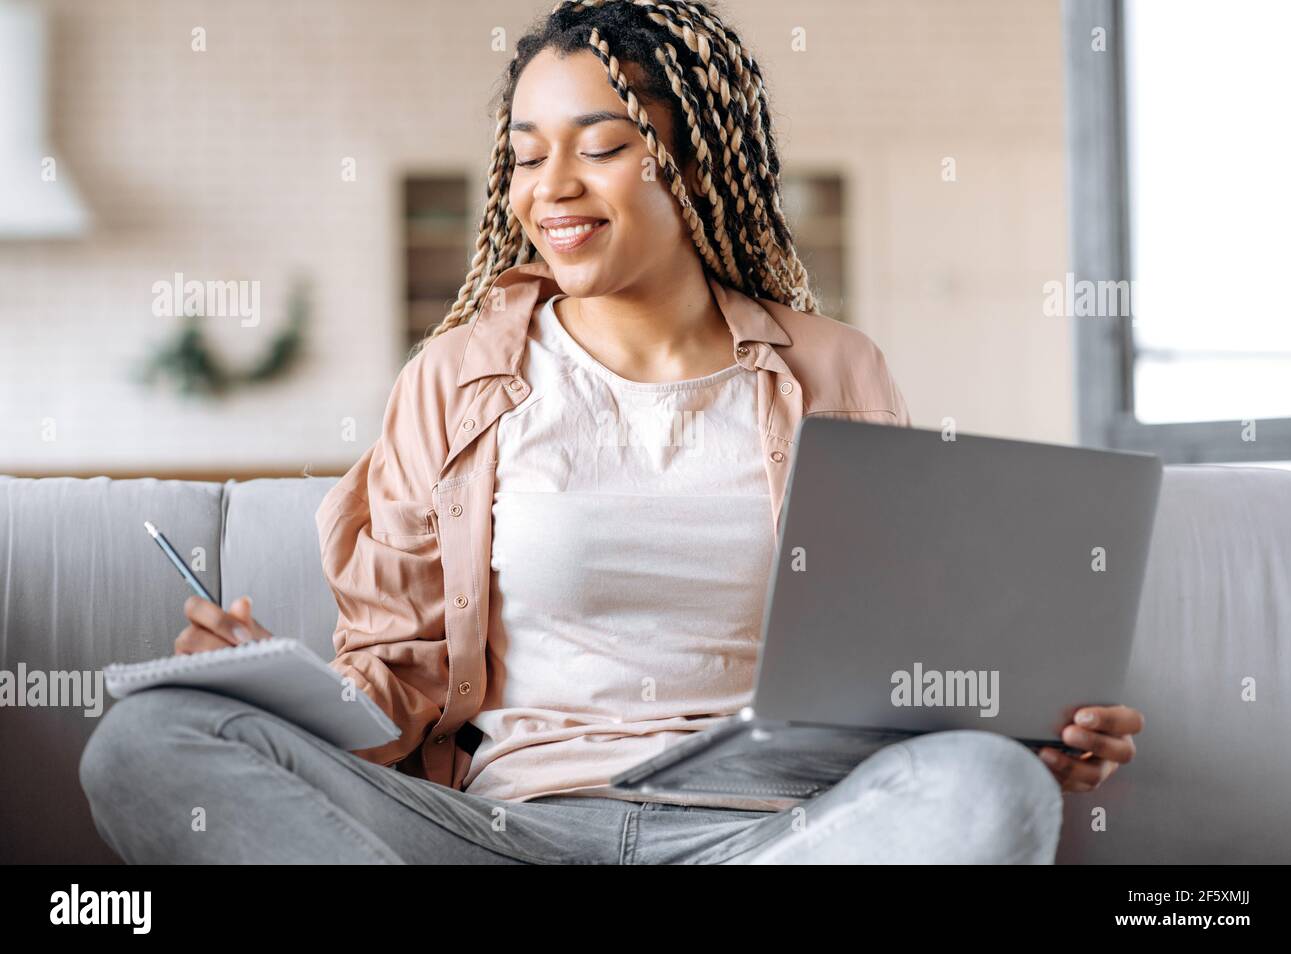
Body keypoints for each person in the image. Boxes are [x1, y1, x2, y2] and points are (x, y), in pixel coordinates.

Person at [79, 0, 1142, 864]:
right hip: (504, 833)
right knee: (150, 741)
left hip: (771, 838)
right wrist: (271, 680)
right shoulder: (454, 379)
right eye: (527, 154)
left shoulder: (834, 369)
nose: (552, 189)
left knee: (988, 787)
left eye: (602, 147)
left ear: (696, 162)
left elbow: (904, 663)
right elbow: (392, 684)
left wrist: (1024, 729)